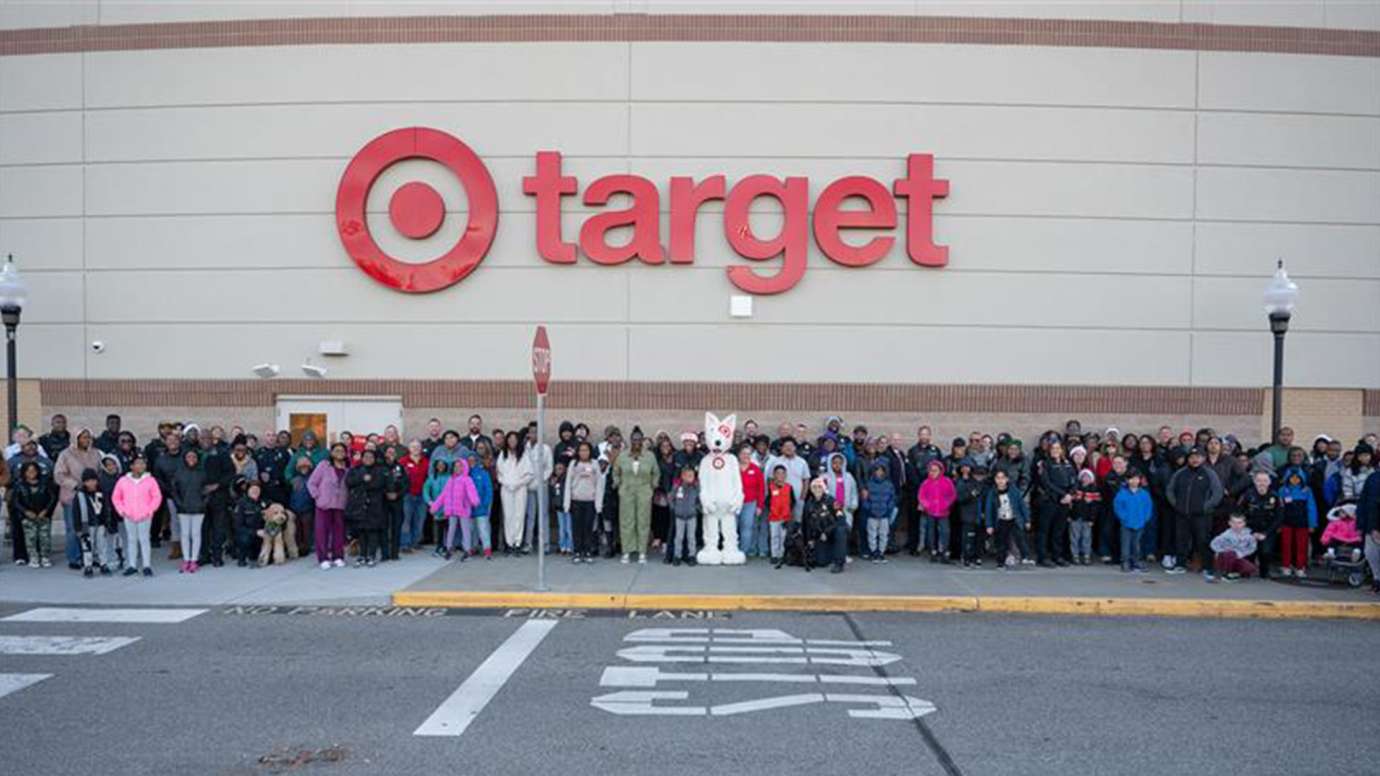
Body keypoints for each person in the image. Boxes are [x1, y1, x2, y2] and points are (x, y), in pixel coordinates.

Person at [1164, 447, 1224, 579]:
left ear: (1203, 458)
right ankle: (1180, 565)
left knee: (1203, 540)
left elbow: (1217, 493)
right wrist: (1176, 504)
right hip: (1182, 514)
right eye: (1192, 457)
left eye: (1198, 457)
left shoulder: (1210, 474)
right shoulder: (1180, 473)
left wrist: (1205, 507)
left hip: (1202, 515)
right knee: (1181, 540)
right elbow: (1170, 490)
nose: (1195, 459)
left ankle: (1207, 567)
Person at [54, 428, 103, 570]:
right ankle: (74, 557)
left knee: (90, 528)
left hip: (91, 496)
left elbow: (100, 471)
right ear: (76, 438)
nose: (86, 440)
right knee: (73, 528)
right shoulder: (66, 454)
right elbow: (59, 475)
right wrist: (75, 485)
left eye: (88, 437)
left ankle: (89, 556)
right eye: (83, 437)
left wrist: (94, 485)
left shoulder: (95, 453)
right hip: (72, 496)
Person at [112, 455, 161, 577]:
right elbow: (116, 497)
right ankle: (132, 565)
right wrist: (122, 510)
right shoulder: (123, 480)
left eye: (143, 463)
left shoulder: (150, 480)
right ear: (132, 466)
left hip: (145, 515)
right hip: (129, 515)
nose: (141, 466)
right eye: (138, 463)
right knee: (131, 540)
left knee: (144, 540)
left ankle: (146, 565)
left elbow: (157, 496)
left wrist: (150, 510)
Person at [614, 430, 658, 564]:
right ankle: (626, 551)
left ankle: (642, 552)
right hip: (627, 490)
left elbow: (656, 473)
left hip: (643, 490)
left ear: (643, 440)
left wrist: (652, 486)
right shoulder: (623, 456)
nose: (636, 442)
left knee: (643, 521)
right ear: (630, 440)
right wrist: (618, 484)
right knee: (627, 521)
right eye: (634, 439)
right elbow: (616, 472)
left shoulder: (649, 456)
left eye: (639, 439)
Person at [307, 443, 350, 569]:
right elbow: (312, 483)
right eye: (336, 450)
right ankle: (323, 558)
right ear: (331, 453)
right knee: (322, 531)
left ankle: (338, 556)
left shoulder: (347, 468)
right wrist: (317, 496)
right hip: (324, 504)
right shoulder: (324, 465)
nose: (339, 453)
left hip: (340, 504)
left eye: (342, 450)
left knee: (339, 532)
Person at [1034, 440, 1076, 567]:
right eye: (1053, 448)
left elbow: (1074, 480)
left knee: (1059, 530)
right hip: (1050, 501)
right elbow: (1046, 483)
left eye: (1058, 448)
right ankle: (1043, 557)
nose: (1055, 450)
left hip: (1064, 502)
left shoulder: (1068, 464)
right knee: (1044, 530)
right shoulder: (1045, 464)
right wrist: (1063, 494)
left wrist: (1070, 494)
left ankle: (1057, 556)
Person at [1276, 452, 1317, 578]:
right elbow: (1279, 507)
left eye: (1297, 478)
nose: (1295, 480)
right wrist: (1278, 523)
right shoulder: (1282, 491)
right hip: (1286, 522)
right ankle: (1286, 566)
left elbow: (1311, 508)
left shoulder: (1307, 491)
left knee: (1301, 546)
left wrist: (1312, 523)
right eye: (1292, 478)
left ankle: (1300, 567)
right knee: (1286, 546)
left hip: (1302, 523)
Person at [429, 458, 479, 561]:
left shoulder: (467, 479)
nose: (457, 468)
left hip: (463, 509)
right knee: (451, 530)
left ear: (464, 467)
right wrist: (435, 506)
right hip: (452, 510)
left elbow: (472, 491)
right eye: (455, 466)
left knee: (466, 530)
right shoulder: (450, 480)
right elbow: (443, 495)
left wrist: (475, 500)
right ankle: (448, 548)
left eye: (460, 466)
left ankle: (467, 550)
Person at [563, 441, 604, 564]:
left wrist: (598, 503)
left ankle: (587, 551)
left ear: (590, 451)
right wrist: (567, 503)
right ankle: (577, 551)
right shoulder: (573, 464)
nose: (584, 452)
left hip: (590, 501)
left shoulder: (595, 464)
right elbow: (568, 484)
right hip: (576, 500)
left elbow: (599, 484)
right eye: (581, 450)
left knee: (588, 527)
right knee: (577, 528)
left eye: (586, 450)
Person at [12, 461, 57, 568]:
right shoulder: (19, 485)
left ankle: (45, 557)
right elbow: (16, 501)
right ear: (24, 472)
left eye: (34, 470)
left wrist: (46, 510)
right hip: (28, 516)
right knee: (30, 538)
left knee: (44, 537)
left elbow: (52, 498)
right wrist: (25, 511)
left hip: (43, 515)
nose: (31, 473)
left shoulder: (44, 484)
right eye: (28, 471)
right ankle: (33, 557)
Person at [345, 448, 386, 567]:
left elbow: (379, 484)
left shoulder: (380, 470)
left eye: (371, 457)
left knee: (372, 531)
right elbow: (349, 482)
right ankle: (362, 555)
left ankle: (371, 555)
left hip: (374, 505)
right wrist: (362, 479)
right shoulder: (356, 469)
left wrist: (365, 483)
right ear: (362, 458)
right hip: (359, 505)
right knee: (362, 531)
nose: (368, 459)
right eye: (366, 457)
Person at [1239, 471, 1281, 579]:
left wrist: (1266, 533)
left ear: (1269, 482)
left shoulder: (1275, 497)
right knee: (1249, 551)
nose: (1262, 483)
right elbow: (1239, 514)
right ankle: (1247, 570)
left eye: (1265, 480)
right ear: (1254, 481)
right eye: (1259, 480)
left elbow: (1279, 517)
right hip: (1249, 528)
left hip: (1267, 530)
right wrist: (1250, 532)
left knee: (1265, 551)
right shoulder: (1247, 495)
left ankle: (1264, 571)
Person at [802, 477, 849, 573]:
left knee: (841, 530)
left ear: (824, 488)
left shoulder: (831, 501)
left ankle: (839, 563)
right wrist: (809, 540)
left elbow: (841, 519)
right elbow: (806, 524)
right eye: (814, 487)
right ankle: (832, 553)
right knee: (821, 562)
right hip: (820, 535)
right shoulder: (808, 504)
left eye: (819, 487)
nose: (817, 489)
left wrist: (827, 532)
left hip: (832, 532)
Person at [497, 431, 533, 555]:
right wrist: (507, 484)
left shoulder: (524, 455)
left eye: (514, 439)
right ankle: (509, 543)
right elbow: (499, 474)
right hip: (506, 489)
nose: (512, 441)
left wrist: (518, 484)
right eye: (510, 439)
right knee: (508, 516)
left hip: (520, 489)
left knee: (519, 515)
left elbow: (529, 474)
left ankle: (517, 543)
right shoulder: (503, 455)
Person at [172, 448, 207, 574]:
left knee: (196, 534)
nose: (191, 459)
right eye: (189, 457)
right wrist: (179, 504)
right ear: (185, 459)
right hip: (183, 507)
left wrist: (204, 504)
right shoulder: (179, 473)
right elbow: (174, 490)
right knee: (185, 534)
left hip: (198, 507)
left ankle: (194, 560)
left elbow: (207, 491)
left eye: (194, 457)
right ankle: (186, 559)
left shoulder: (202, 473)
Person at [72, 468, 112, 576]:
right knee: (87, 546)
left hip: (100, 523)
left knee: (102, 545)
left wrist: (107, 522)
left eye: (93, 480)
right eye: (88, 481)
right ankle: (88, 566)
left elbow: (106, 508)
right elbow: (76, 513)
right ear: (84, 482)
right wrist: (78, 528)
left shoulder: (102, 492)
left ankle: (103, 564)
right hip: (86, 525)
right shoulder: (80, 495)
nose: (91, 483)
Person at [1112, 471, 1153, 573]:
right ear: (1127, 480)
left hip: (1139, 522)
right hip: (1126, 523)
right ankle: (1125, 562)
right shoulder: (1122, 493)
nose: (1134, 481)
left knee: (1137, 544)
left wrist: (1145, 518)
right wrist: (1123, 518)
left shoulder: (1144, 494)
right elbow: (1118, 507)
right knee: (1125, 543)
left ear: (1139, 480)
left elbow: (1148, 507)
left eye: (1136, 478)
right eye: (1131, 478)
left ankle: (1136, 561)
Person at [917, 460, 956, 564]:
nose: (933, 473)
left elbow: (951, 494)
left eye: (935, 470)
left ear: (940, 471)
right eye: (931, 470)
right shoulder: (926, 483)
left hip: (943, 511)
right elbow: (921, 496)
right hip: (930, 511)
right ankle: (933, 551)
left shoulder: (947, 481)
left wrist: (946, 504)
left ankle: (944, 552)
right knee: (931, 532)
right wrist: (927, 505)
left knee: (945, 532)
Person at [822, 452, 858, 560]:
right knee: (831, 532)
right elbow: (822, 493)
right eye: (834, 463)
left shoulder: (849, 477)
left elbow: (854, 492)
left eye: (840, 463)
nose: (837, 465)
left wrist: (854, 504)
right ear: (830, 463)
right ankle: (831, 555)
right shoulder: (825, 477)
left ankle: (843, 554)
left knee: (845, 533)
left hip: (846, 509)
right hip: (831, 510)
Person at [860, 462, 895, 563]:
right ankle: (873, 551)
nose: (879, 472)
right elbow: (864, 499)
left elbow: (892, 498)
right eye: (877, 470)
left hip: (884, 514)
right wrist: (869, 508)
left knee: (884, 533)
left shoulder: (889, 485)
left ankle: (881, 552)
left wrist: (889, 508)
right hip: (872, 513)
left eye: (881, 470)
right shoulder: (869, 484)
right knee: (872, 533)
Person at [399, 440, 429, 553]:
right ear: (409, 448)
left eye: (418, 446)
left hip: (422, 496)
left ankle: (415, 542)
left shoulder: (426, 462)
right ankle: (405, 544)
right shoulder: (403, 461)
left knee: (420, 520)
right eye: (413, 446)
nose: (416, 448)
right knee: (406, 520)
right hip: (407, 495)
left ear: (421, 448)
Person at [954, 463, 986, 567]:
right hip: (969, 516)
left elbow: (989, 502)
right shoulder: (967, 485)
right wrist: (970, 495)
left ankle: (977, 557)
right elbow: (959, 499)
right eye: (977, 475)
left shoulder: (987, 486)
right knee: (968, 538)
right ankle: (967, 557)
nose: (979, 477)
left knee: (980, 539)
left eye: (982, 475)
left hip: (981, 517)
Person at [1209, 514, 1259, 581]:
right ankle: (1226, 573)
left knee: (1251, 568)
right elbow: (1213, 544)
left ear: (1244, 523)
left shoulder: (1249, 535)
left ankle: (1234, 573)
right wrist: (1221, 551)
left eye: (1239, 523)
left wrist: (1241, 554)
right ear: (1229, 523)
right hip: (1225, 557)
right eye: (1234, 523)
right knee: (1231, 553)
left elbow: (1253, 547)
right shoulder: (1226, 534)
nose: (1236, 525)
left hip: (1238, 557)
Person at [763, 464, 795, 565]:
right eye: (778, 473)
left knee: (783, 537)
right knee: (774, 537)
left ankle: (782, 555)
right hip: (774, 517)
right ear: (774, 475)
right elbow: (767, 501)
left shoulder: (789, 487)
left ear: (785, 475)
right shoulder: (771, 487)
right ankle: (774, 555)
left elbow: (793, 501)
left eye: (782, 473)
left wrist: (789, 511)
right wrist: (772, 509)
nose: (780, 475)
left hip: (785, 517)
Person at [736, 446, 765, 558]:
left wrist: (759, 506)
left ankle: (743, 552)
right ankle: (732, 550)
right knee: (732, 527)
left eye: (748, 454)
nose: (745, 456)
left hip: (750, 503)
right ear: (739, 455)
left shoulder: (756, 469)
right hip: (734, 503)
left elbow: (761, 489)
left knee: (746, 528)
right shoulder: (733, 468)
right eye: (743, 453)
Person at [1069, 468, 1102, 566]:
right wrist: (1070, 515)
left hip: (1087, 518)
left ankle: (1086, 555)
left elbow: (1096, 506)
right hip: (1075, 516)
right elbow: (1071, 504)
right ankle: (1075, 555)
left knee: (1086, 537)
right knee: (1074, 536)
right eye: (1084, 476)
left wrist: (1092, 518)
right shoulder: (1075, 489)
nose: (1086, 478)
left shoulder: (1094, 490)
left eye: (1088, 477)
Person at [668, 466, 699, 567]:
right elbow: (671, 497)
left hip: (692, 515)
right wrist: (674, 508)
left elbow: (699, 499)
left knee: (691, 537)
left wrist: (696, 508)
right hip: (679, 516)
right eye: (687, 476)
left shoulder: (696, 486)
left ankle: (692, 556)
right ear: (682, 476)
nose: (690, 477)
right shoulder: (677, 486)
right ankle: (677, 556)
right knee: (679, 537)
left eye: (691, 476)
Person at [466, 450, 495, 559]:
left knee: (483, 529)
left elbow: (488, 489)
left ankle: (487, 549)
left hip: (481, 507)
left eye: (473, 460)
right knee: (470, 529)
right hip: (468, 508)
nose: (471, 462)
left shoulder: (483, 473)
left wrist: (485, 503)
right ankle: (473, 547)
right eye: (469, 460)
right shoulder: (465, 474)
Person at [381, 446, 407, 561]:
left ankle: (395, 554)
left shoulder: (400, 467)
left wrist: (398, 494)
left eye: (393, 452)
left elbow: (406, 484)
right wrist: (385, 493)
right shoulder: (380, 467)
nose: (391, 454)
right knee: (384, 528)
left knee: (396, 527)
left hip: (397, 501)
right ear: (385, 453)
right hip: (383, 501)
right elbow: (377, 483)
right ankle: (385, 554)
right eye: (389, 452)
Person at [232, 481, 267, 568]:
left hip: (262, 533)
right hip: (248, 533)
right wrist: (255, 532)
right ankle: (242, 557)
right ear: (248, 490)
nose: (255, 491)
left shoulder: (264, 502)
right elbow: (238, 526)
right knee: (244, 539)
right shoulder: (241, 504)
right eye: (253, 489)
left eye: (257, 489)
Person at [422, 457, 452, 557]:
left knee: (449, 527)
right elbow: (425, 490)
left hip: (448, 507)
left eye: (443, 465)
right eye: (439, 465)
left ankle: (448, 546)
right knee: (439, 528)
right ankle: (439, 545)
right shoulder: (432, 477)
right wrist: (429, 502)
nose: (441, 467)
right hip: (437, 507)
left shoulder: (450, 477)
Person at [551, 460, 571, 555]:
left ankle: (570, 547)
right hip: (559, 508)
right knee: (561, 528)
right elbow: (554, 495)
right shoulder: (555, 481)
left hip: (567, 507)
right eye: (556, 469)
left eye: (560, 469)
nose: (558, 471)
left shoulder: (567, 480)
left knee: (568, 528)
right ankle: (562, 546)